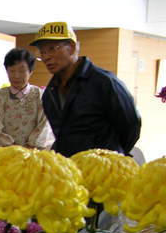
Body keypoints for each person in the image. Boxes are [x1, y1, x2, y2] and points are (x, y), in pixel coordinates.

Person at [30, 21, 141, 157]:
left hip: (103, 169)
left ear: (71, 48)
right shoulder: (50, 94)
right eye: (42, 51)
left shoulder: (104, 82)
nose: (46, 56)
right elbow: (60, 135)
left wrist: (111, 154)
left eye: (52, 48)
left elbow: (131, 126)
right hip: (70, 170)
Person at [0, 48, 53, 150]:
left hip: (33, 152)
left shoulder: (40, 95)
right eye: (12, 71)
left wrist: (29, 146)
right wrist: (14, 148)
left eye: (22, 71)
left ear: (31, 71)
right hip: (4, 153)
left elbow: (44, 125)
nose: (16, 75)